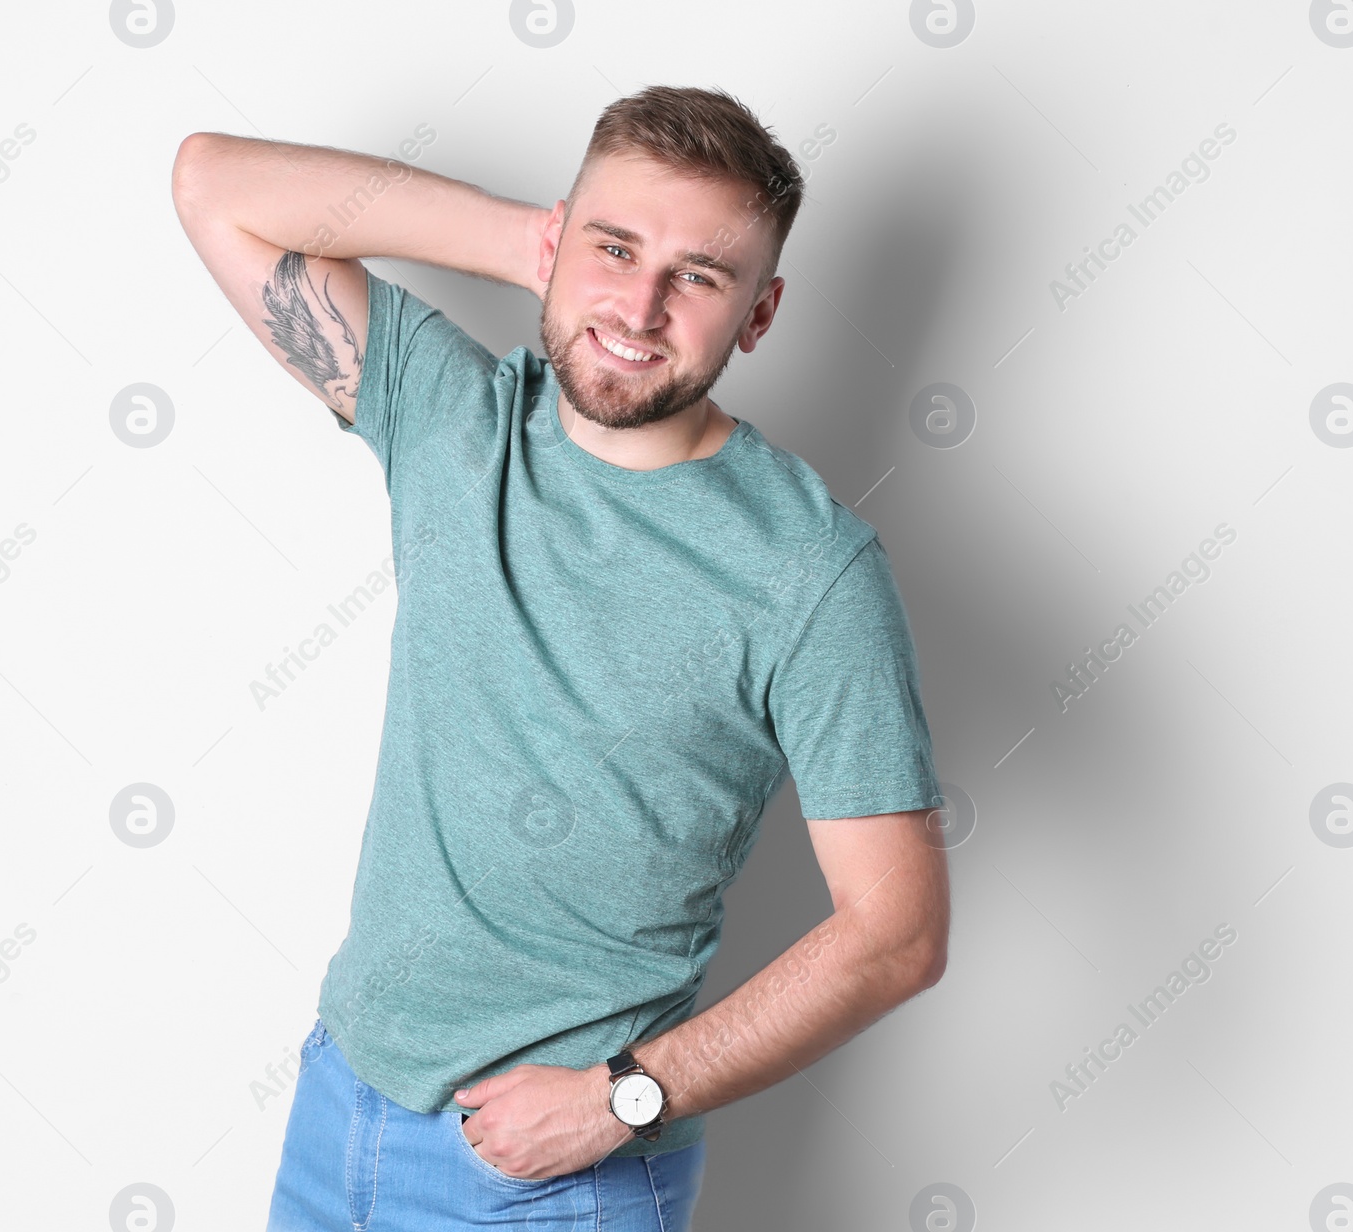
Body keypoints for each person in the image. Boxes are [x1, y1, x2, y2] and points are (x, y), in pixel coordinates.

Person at [171, 84, 950, 1232]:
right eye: (614, 247)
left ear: (761, 310)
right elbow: (212, 185)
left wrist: (625, 1095)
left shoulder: (811, 571)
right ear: (561, 236)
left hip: (552, 1178)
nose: (637, 304)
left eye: (698, 274)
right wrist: (523, 243)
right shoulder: (453, 420)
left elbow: (898, 933)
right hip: (341, 1106)